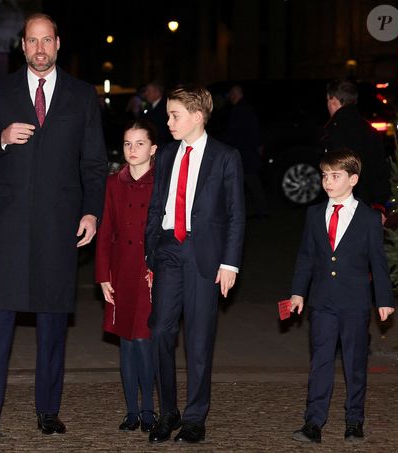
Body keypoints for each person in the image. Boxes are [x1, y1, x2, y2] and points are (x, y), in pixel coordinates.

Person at [0, 13, 107, 436]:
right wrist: (2, 137)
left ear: (58, 43)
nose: (40, 49)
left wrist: (91, 211)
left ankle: (48, 411)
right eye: (32, 41)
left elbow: (94, 164)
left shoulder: (82, 96)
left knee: (52, 321)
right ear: (22, 46)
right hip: (9, 226)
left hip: (59, 225)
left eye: (47, 40)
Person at [144, 85, 245, 444]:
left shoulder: (225, 156)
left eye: (175, 115)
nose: (168, 121)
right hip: (169, 250)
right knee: (160, 332)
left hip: (205, 255)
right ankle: (168, 411)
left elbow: (236, 214)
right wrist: (150, 251)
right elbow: (157, 205)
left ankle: (195, 417)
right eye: (168, 114)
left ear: (197, 117)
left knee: (199, 340)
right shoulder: (168, 155)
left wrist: (230, 263)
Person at [290, 149, 395, 444]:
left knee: (354, 362)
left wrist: (383, 299)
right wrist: (298, 292)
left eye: (335, 176)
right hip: (322, 301)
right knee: (320, 361)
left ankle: (354, 420)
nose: (328, 181)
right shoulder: (313, 214)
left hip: (355, 303)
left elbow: (378, 261)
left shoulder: (369, 218)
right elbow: (306, 257)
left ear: (353, 180)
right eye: (324, 175)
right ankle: (313, 422)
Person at [95, 120, 158, 433]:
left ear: (153, 148)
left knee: (144, 341)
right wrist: (103, 275)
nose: (133, 150)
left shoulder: (161, 182)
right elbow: (105, 231)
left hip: (149, 273)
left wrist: (160, 268)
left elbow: (167, 231)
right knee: (127, 345)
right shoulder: (112, 183)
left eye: (140, 143)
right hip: (121, 272)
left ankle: (149, 409)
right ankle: (131, 411)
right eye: (128, 144)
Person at [323, 80, 391, 212]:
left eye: (327, 100)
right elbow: (380, 171)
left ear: (333, 100)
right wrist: (379, 205)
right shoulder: (370, 131)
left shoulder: (335, 132)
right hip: (367, 205)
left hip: (343, 207)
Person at [225, 84, 268, 218]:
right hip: (247, 152)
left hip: (243, 153)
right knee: (248, 182)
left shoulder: (240, 110)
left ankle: (262, 210)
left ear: (237, 94)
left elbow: (235, 133)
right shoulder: (246, 108)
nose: (230, 97)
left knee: (249, 182)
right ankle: (259, 210)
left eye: (232, 94)